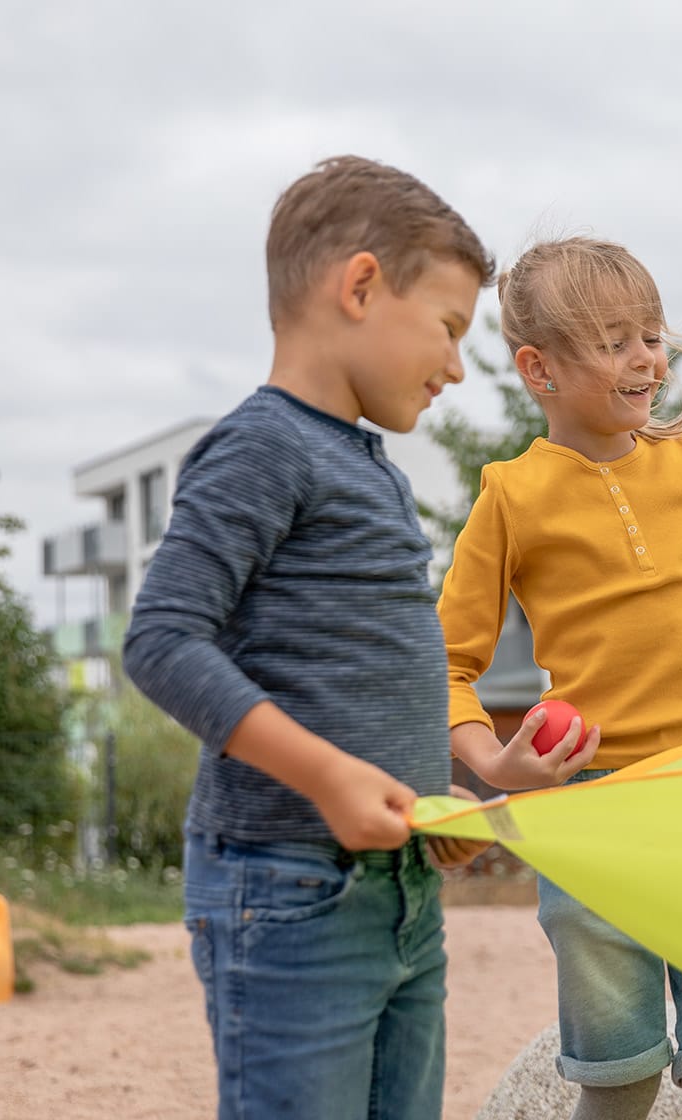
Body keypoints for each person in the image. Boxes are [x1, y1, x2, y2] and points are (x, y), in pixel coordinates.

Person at [123, 155, 494, 1120]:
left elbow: (342, 669)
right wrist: (330, 778)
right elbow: (162, 639)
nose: (457, 365)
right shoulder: (262, 446)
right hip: (289, 894)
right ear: (362, 286)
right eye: (451, 329)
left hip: (402, 897)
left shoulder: (368, 465)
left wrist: (425, 797)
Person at [439, 236, 682, 1120]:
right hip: (593, 807)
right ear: (539, 369)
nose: (647, 357)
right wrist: (493, 769)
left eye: (650, 334)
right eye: (615, 342)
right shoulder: (511, 496)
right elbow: (450, 662)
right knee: (622, 1074)